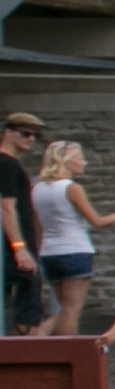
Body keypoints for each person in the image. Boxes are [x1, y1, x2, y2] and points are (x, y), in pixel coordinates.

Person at [34, 143, 115, 336]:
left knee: (64, 308)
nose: (84, 162)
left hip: (49, 252)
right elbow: (97, 221)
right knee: (72, 310)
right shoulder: (72, 188)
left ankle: (34, 341)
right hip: (75, 251)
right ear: (66, 162)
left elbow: (38, 227)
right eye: (79, 158)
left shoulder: (37, 189)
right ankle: (66, 350)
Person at [0, 113, 42, 335]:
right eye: (25, 133)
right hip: (11, 249)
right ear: (8, 133)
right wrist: (19, 248)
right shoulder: (7, 165)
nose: (30, 139)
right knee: (29, 312)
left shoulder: (11, 165)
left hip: (12, 248)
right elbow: (6, 207)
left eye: (34, 135)